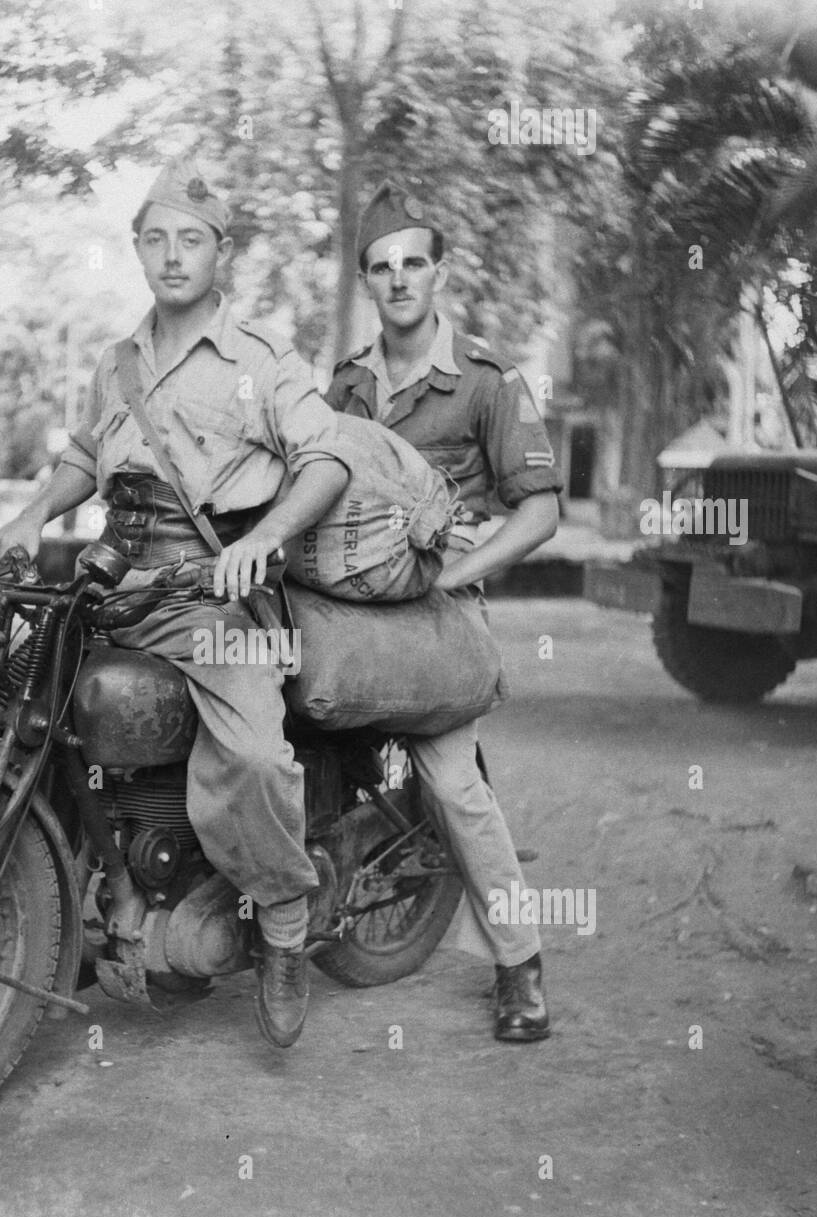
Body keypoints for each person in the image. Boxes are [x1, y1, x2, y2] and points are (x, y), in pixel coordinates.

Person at [0, 160, 350, 1047]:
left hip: (213, 592)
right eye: (155, 239)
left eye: (190, 239)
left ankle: (281, 933)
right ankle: (81, 886)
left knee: (255, 755)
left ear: (220, 252)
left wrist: (264, 541)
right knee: (15, 695)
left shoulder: (262, 362)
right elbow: (87, 454)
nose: (172, 255)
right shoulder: (118, 362)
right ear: (138, 251)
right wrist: (34, 513)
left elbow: (329, 460)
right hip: (116, 578)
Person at [326, 180, 562, 1041]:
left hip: (435, 615)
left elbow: (540, 510)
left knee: (453, 780)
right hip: (347, 605)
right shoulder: (345, 385)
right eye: (381, 267)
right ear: (367, 281)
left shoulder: (486, 383)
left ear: (438, 273)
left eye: (413, 263)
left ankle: (518, 962)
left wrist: (460, 575)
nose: (397, 280)